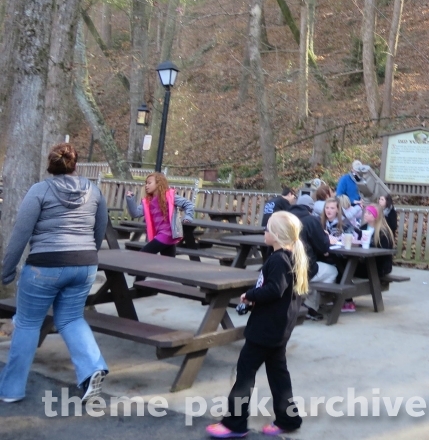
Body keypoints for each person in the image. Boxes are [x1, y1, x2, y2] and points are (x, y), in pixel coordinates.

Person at [0, 143, 109, 403]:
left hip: (45, 265)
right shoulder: (93, 190)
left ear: (50, 165)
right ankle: (92, 369)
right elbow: (100, 227)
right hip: (84, 264)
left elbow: (20, 234)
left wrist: (6, 271)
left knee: (27, 323)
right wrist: (85, 254)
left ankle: (11, 390)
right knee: (71, 319)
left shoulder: (39, 190)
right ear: (75, 164)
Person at [206, 211, 307, 438]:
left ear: (278, 236)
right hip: (279, 330)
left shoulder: (279, 260)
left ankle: (234, 424)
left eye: (268, 229)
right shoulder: (292, 258)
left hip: (265, 331)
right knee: (278, 374)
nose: (265, 232)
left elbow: (274, 289)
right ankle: (288, 418)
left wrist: (251, 295)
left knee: (245, 373)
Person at [124, 172, 195, 257]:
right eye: (146, 183)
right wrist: (130, 199)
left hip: (167, 234)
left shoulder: (169, 197)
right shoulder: (147, 202)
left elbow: (188, 204)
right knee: (167, 263)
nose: (146, 185)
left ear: (158, 184)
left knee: (142, 256)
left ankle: (132, 270)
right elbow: (135, 213)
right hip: (162, 235)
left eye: (149, 183)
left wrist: (188, 217)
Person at [289, 194, 336, 321]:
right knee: (333, 271)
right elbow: (323, 247)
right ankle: (311, 305)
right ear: (311, 208)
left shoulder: (285, 217)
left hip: (284, 264)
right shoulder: (311, 220)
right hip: (304, 267)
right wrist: (327, 237)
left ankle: (306, 299)